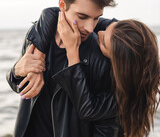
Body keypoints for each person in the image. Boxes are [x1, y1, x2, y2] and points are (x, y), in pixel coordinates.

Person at [7, 0, 123, 137]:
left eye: (96, 18)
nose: (90, 28)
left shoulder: (101, 52)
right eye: (82, 17)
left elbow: (105, 121)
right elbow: (22, 88)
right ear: (62, 4)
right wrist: (16, 71)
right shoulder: (37, 34)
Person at [19, 10, 160, 137]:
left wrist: (72, 51)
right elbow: (52, 13)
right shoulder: (120, 34)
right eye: (106, 29)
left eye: (103, 42)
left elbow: (88, 109)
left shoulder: (123, 96)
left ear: (118, 63)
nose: (98, 32)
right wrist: (39, 54)